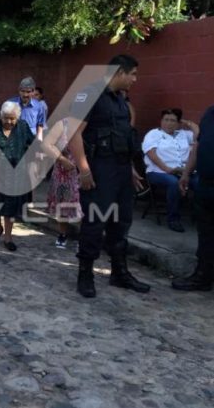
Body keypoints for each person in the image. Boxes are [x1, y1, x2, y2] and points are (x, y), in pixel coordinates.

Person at [68, 54, 149, 298]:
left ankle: (119, 272)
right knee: (95, 222)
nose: (135, 79)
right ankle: (85, 274)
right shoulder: (89, 94)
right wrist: (84, 169)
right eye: (132, 74)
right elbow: (73, 134)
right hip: (99, 171)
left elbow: (123, 137)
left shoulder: (120, 100)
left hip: (121, 171)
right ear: (119, 72)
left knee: (121, 222)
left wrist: (130, 169)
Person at [0, 101, 34, 252]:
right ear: (1, 116)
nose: (9, 122)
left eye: (12, 118)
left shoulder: (23, 127)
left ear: (17, 117)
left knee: (10, 206)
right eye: (6, 118)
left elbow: (34, 143)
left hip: (16, 175)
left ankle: (8, 237)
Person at [173, 105, 214, 291]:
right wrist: (186, 173)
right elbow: (198, 145)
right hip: (206, 184)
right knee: (205, 233)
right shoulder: (209, 114)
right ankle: (202, 276)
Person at [141, 108, 199, 232]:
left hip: (184, 171)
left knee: (200, 183)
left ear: (178, 123)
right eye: (165, 120)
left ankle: (201, 217)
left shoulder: (184, 134)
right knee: (174, 183)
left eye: (173, 120)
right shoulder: (153, 134)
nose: (168, 123)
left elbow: (198, 134)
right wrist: (168, 169)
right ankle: (173, 219)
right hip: (158, 171)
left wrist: (187, 123)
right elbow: (151, 154)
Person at [43, 118, 82, 248]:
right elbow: (47, 144)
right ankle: (62, 234)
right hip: (63, 172)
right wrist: (61, 159)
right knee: (62, 204)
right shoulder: (63, 124)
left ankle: (83, 237)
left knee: (84, 205)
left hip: (84, 172)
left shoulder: (93, 124)